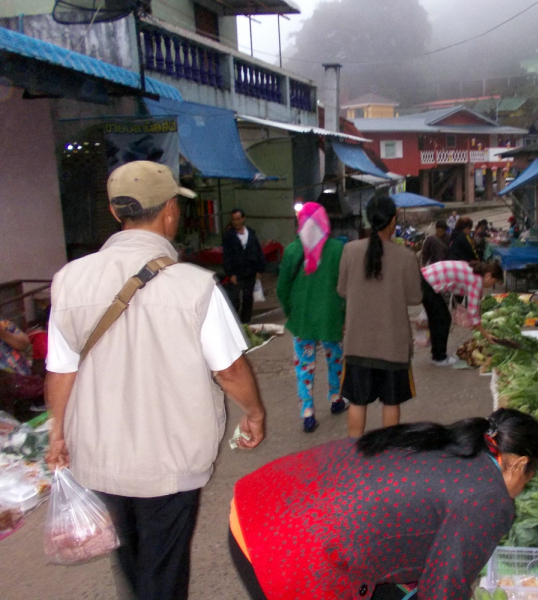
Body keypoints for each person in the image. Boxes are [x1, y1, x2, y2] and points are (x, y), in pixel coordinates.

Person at [45, 161, 266, 600]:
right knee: (164, 567)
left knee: (131, 560)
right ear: (169, 211)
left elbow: (61, 369)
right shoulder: (195, 286)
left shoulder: (68, 281)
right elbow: (229, 371)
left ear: (115, 212)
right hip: (170, 460)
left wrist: (57, 434)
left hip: (100, 455)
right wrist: (254, 413)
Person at [228, 408, 538, 600]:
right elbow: (441, 593)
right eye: (527, 479)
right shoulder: (490, 497)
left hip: (264, 500)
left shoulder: (454, 443)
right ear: (519, 465)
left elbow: (410, 522)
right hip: (283, 547)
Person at [337, 195, 422, 438]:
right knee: (391, 403)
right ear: (394, 220)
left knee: (357, 402)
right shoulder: (406, 256)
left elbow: (342, 290)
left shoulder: (350, 250)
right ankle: (389, 456)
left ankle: (354, 453)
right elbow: (415, 298)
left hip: (357, 344)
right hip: (393, 345)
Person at [277, 202, 347, 434]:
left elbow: (282, 289)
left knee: (304, 367)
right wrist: (343, 313)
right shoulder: (338, 249)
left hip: (303, 320)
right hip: (331, 318)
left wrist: (291, 311)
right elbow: (344, 287)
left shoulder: (292, 251)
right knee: (335, 360)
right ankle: (336, 399)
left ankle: (308, 413)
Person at [421, 261, 503, 366]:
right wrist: (486, 334)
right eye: (494, 281)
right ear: (488, 275)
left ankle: (437, 355)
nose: (492, 285)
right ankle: (439, 358)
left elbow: (474, 304)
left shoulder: (475, 271)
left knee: (438, 318)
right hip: (428, 282)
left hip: (426, 278)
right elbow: (473, 312)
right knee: (442, 319)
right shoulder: (477, 280)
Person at [223, 208, 267, 324]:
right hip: (236, 273)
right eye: (234, 220)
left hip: (251, 271)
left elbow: (258, 251)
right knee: (234, 299)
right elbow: (227, 255)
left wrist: (260, 269)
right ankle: (233, 323)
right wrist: (230, 273)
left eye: (238, 219)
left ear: (243, 218)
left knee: (248, 298)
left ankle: (245, 323)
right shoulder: (229, 236)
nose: (236, 222)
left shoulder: (251, 234)